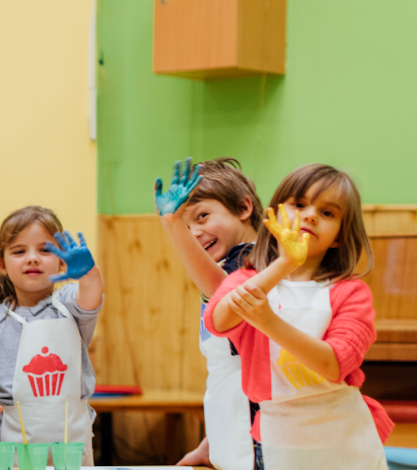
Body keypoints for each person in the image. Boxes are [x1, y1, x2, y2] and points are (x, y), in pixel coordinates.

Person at [207, 164, 393, 470]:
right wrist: (285, 264)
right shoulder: (247, 279)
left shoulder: (350, 292)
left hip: (345, 435)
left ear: (338, 237)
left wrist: (269, 323)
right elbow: (219, 319)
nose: (309, 216)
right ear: (274, 216)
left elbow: (334, 365)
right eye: (299, 205)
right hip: (281, 434)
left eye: (327, 213)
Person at [0, 206, 103, 465]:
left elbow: (90, 294)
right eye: (19, 251)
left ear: (61, 261)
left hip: (71, 451)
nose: (32, 258)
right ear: (2, 264)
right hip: (6, 450)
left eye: (45, 250)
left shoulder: (69, 304)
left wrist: (89, 273)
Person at [155, 157, 263, 469]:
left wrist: (174, 225)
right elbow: (228, 371)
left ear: (244, 208)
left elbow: (223, 293)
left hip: (258, 439)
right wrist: (211, 442)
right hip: (233, 435)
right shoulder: (222, 266)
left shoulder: (252, 263)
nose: (195, 233)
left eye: (202, 217)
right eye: (188, 225)